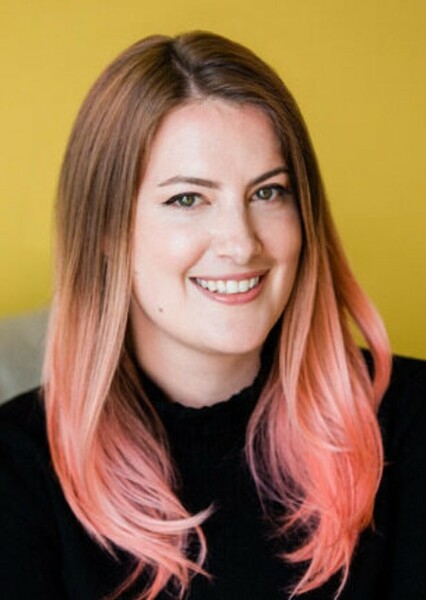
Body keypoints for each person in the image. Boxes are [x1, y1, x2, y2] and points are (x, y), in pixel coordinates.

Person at [0, 31, 425, 600]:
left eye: (268, 193)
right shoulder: (17, 469)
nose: (241, 243)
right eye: (187, 199)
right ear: (106, 232)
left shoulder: (412, 421)